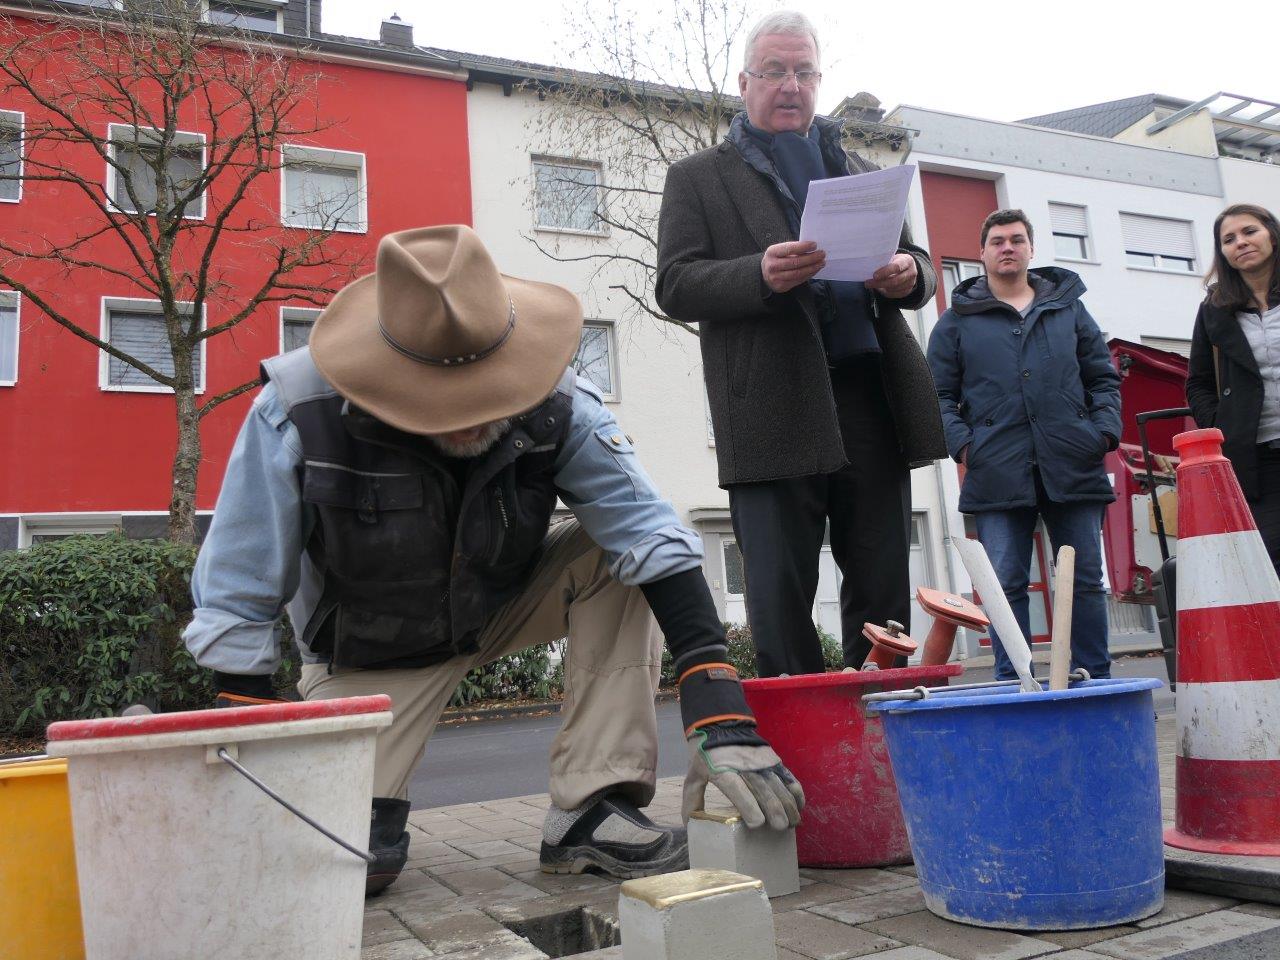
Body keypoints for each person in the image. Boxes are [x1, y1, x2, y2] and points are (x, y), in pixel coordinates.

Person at [183, 225, 803, 895]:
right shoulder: (296, 411)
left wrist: (717, 704)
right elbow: (236, 595)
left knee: (613, 552)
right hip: (366, 655)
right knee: (346, 866)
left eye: (487, 392)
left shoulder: (560, 401)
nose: (470, 418)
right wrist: (244, 756)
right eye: (443, 403)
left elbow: (648, 531)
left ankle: (591, 809)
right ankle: (357, 812)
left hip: (494, 605)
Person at [654, 10, 945, 678]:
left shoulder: (861, 167)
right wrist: (757, 273)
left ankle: (880, 730)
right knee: (780, 598)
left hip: (871, 399)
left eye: (804, 71)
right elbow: (675, 283)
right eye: (775, 71)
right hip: (770, 406)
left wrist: (910, 274)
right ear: (745, 82)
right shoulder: (699, 177)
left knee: (881, 591)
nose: (791, 85)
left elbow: (920, 267)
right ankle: (797, 744)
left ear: (819, 80)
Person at [926, 209, 1121, 681]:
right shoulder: (956, 322)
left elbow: (1102, 377)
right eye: (997, 241)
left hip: (1073, 462)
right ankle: (1015, 684)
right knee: (1004, 583)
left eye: (1016, 239)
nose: (1007, 247)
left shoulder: (1068, 309)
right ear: (983, 253)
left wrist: (1102, 434)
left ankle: (1094, 679)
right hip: (996, 469)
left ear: (1031, 249)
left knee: (1085, 582)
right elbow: (937, 395)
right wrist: (966, 447)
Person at [1187, 203, 1280, 573]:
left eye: (1249, 231)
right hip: (1258, 458)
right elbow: (1199, 382)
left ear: (1271, 233)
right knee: (1270, 564)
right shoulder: (1214, 310)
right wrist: (1222, 424)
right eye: (1229, 239)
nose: (1240, 242)